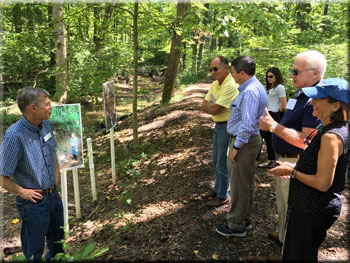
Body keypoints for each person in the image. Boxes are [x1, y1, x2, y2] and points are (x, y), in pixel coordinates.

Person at [268, 78, 350, 261]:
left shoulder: (331, 136)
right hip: (308, 206)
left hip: (314, 209)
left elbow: (322, 183)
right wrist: (294, 166)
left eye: (317, 99)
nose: (311, 102)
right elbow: (321, 165)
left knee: (300, 255)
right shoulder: (330, 127)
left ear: (335, 105)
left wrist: (292, 172)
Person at [259, 50, 325, 249]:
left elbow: (306, 141)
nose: (291, 75)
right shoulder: (300, 94)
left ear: (315, 73)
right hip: (285, 160)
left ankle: (290, 250)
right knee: (283, 204)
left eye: (296, 71)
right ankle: (282, 237)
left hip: (298, 162)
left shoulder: (317, 100)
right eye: (291, 70)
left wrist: (272, 126)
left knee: (293, 210)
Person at [0, 87, 64, 262]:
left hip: (53, 197)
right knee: (34, 252)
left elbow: (53, 152)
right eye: (47, 104)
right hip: (33, 203)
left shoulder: (46, 125)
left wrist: (55, 181)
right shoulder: (14, 136)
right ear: (33, 108)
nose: (51, 107)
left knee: (58, 244)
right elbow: (2, 177)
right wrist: (23, 193)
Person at [216, 55, 267, 237]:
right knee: (246, 182)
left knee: (238, 185)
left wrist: (236, 147)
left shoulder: (250, 91)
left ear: (242, 73)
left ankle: (236, 226)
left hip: (243, 143)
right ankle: (244, 219)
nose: (233, 76)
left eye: (234, 73)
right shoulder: (252, 87)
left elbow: (247, 124)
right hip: (246, 142)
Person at [201, 56, 239, 207]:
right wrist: (211, 107)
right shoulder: (215, 85)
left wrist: (211, 107)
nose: (212, 72)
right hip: (218, 126)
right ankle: (217, 190)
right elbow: (204, 105)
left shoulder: (231, 85)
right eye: (210, 69)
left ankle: (223, 196)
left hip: (227, 126)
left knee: (222, 162)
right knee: (216, 159)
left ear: (225, 68)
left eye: (215, 69)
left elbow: (215, 108)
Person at [257, 67, 287, 168]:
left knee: (268, 138)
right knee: (263, 136)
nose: (268, 78)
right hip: (267, 113)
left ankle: (272, 160)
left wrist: (279, 109)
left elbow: (284, 104)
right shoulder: (270, 87)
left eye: (271, 76)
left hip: (273, 114)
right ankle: (269, 159)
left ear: (276, 76)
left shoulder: (280, 87)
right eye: (267, 77)